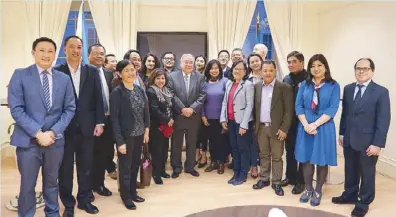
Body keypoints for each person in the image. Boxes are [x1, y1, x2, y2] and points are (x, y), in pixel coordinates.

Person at [8, 37, 75, 217]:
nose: (46, 55)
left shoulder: (64, 79)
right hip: (28, 141)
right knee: (28, 185)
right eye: (42, 50)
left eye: (50, 51)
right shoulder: (20, 75)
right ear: (33, 53)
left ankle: (52, 214)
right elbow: (16, 109)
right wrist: (38, 133)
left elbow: (69, 109)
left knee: (52, 183)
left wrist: (53, 132)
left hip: (55, 141)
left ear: (55, 54)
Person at [332, 58, 391, 217]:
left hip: (368, 143)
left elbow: (383, 120)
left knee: (367, 173)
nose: (361, 71)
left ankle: (363, 202)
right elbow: (345, 114)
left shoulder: (381, 92)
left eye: (365, 68)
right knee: (350, 169)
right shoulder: (349, 89)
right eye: (358, 68)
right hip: (349, 139)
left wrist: (378, 144)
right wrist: (342, 133)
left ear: (372, 71)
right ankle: (350, 195)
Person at [54, 36, 105, 216]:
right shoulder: (57, 71)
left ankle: (84, 200)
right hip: (64, 129)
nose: (76, 50)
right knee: (65, 169)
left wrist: (100, 122)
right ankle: (68, 204)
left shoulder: (91, 70)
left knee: (86, 166)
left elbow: (99, 99)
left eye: (79, 47)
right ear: (64, 49)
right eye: (72, 47)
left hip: (87, 127)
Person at [295, 54, 340, 206]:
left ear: (325, 67)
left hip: (324, 127)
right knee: (306, 160)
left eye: (319, 65)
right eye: (313, 66)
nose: (316, 68)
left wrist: (315, 125)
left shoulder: (334, 85)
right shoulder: (304, 85)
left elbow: (333, 108)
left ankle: (318, 190)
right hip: (305, 126)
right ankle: (308, 189)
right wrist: (306, 124)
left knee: (321, 161)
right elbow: (298, 106)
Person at [110, 60, 149, 210]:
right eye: (126, 70)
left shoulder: (139, 89)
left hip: (139, 134)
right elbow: (114, 119)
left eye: (132, 70)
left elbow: (146, 112)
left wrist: (146, 129)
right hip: (126, 137)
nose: (130, 73)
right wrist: (120, 142)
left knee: (134, 166)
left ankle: (133, 191)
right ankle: (125, 196)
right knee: (125, 168)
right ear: (119, 74)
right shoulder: (117, 93)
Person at [252, 61, 293, 196]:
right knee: (263, 155)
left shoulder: (284, 87)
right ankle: (264, 179)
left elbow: (288, 111)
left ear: (275, 71)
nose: (267, 73)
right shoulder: (257, 86)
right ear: (261, 72)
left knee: (277, 157)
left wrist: (284, 128)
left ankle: (276, 182)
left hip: (277, 129)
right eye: (265, 70)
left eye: (270, 70)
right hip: (261, 128)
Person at [167, 54, 206, 178]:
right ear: (180, 63)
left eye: (191, 62)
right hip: (178, 114)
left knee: (192, 142)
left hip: (194, 116)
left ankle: (190, 167)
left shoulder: (200, 77)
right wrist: (182, 108)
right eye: (186, 62)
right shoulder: (172, 76)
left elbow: (202, 95)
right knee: (176, 142)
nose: (189, 64)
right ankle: (176, 167)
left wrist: (192, 109)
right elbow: (171, 94)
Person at [220, 60, 254, 185]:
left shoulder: (248, 85)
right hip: (231, 121)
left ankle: (243, 174)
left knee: (243, 148)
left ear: (245, 72)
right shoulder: (229, 83)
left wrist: (244, 124)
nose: (237, 71)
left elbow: (250, 106)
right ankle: (236, 172)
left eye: (240, 69)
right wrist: (223, 118)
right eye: (235, 68)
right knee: (234, 148)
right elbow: (225, 102)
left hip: (242, 123)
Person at [88, 44, 114, 196]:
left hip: (108, 121)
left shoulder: (108, 73)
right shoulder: (84, 72)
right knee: (88, 156)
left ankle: (99, 184)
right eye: (95, 53)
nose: (99, 56)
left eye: (102, 54)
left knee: (103, 155)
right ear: (88, 55)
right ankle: (87, 187)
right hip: (91, 122)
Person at [281, 51, 307, 194]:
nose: (290, 64)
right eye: (289, 62)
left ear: (302, 63)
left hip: (304, 123)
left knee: (301, 152)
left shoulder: (309, 79)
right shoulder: (286, 79)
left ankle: (301, 181)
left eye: (294, 62)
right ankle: (290, 177)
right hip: (289, 122)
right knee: (289, 151)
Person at [201, 59, 229, 174]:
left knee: (221, 140)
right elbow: (201, 100)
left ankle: (221, 162)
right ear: (208, 70)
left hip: (221, 117)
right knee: (211, 140)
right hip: (208, 117)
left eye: (216, 68)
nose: (214, 70)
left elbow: (228, 101)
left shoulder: (226, 81)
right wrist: (203, 115)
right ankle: (213, 162)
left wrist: (225, 118)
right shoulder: (204, 83)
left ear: (220, 69)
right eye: (212, 68)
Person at [146, 69, 174, 184]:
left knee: (164, 150)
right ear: (153, 79)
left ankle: (162, 171)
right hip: (156, 126)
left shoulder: (166, 91)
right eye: (158, 78)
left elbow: (169, 107)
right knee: (156, 152)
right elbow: (154, 110)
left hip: (166, 126)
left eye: (162, 78)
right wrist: (168, 119)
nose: (160, 80)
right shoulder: (151, 91)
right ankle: (156, 174)